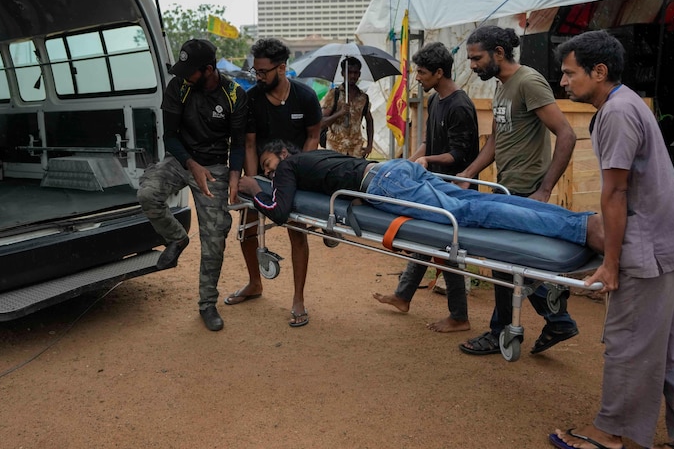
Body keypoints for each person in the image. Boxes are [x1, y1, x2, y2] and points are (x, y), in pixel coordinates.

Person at [550, 30, 674, 449]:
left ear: (599, 71)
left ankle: (610, 433)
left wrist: (610, 262)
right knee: (666, 347)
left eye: (570, 74)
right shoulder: (626, 102)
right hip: (668, 239)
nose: (564, 82)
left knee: (628, 341)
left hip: (652, 247)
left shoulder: (618, 113)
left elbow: (617, 192)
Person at [456, 25, 580, 356]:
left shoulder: (528, 81)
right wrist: (469, 173)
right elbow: (496, 141)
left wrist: (544, 189)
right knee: (507, 262)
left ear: (499, 53)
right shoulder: (502, 86)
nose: (472, 65)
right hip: (505, 189)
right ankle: (558, 319)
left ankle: (502, 333)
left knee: (503, 260)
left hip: (526, 192)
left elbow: (566, 134)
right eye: (470, 59)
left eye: (476, 58)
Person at [238, 141, 603, 251]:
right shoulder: (317, 154)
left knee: (473, 214)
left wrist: (256, 188)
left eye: (270, 165)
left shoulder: (287, 169)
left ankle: (580, 230)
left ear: (283, 155)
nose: (270, 172)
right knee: (480, 202)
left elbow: (280, 211)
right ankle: (582, 221)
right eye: (267, 171)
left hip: (386, 185)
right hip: (397, 168)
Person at [136, 39, 247, 332]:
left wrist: (234, 175)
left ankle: (206, 304)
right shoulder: (179, 87)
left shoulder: (234, 93)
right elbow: (169, 135)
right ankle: (177, 238)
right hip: (181, 159)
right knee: (148, 193)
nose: (184, 76)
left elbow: (237, 143)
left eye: (190, 71)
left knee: (214, 237)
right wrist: (190, 164)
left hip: (213, 168)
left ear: (209, 69)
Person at [372, 42, 479, 333]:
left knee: (447, 249)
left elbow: (458, 156)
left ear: (439, 73)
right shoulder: (435, 101)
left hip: (452, 188)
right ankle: (403, 295)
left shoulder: (460, 106)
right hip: (432, 184)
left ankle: (459, 316)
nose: (417, 78)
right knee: (424, 240)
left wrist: (425, 161)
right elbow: (428, 144)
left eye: (421, 72)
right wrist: (407, 162)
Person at [225, 38, 322, 328]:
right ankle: (255, 283)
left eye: (264, 71)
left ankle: (298, 299)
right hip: (260, 171)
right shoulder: (251, 98)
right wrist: (254, 182)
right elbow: (250, 143)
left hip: (295, 173)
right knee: (247, 229)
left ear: (282, 68)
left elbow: (313, 136)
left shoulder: (304, 96)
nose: (258, 76)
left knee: (297, 232)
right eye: (256, 71)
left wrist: (299, 173)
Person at [320, 57, 374, 157]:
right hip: (335, 149)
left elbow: (369, 120)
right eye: (349, 72)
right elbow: (322, 122)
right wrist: (339, 113)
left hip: (356, 150)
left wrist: (370, 145)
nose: (352, 76)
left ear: (359, 74)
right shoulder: (334, 94)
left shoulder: (363, 98)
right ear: (343, 73)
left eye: (355, 72)